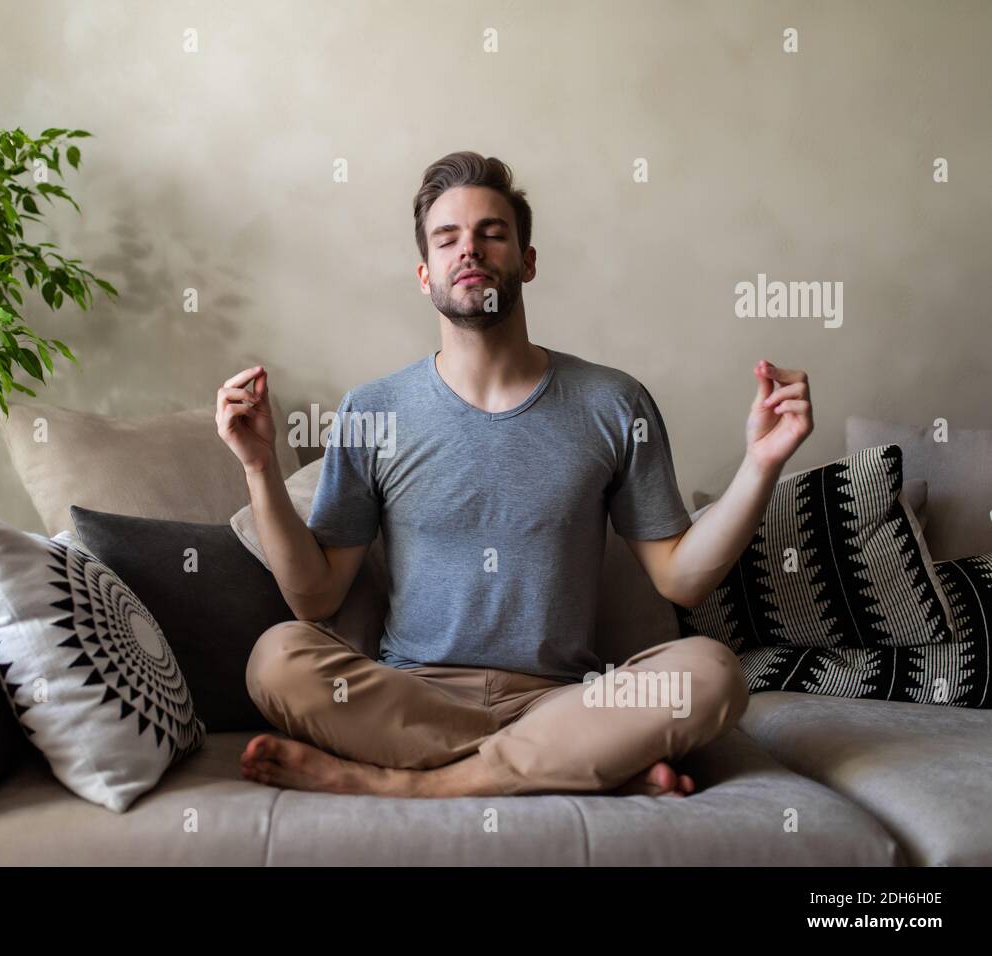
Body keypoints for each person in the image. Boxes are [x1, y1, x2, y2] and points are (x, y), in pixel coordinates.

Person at [215, 150, 814, 798]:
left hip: (565, 702)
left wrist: (761, 463)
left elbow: (681, 578)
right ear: (425, 274)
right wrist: (259, 466)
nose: (469, 249)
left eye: (491, 232)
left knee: (712, 672)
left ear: (527, 261)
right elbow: (317, 598)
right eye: (448, 238)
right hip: (414, 698)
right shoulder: (372, 409)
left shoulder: (614, 402)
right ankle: (570, 765)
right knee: (276, 659)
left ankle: (420, 785)